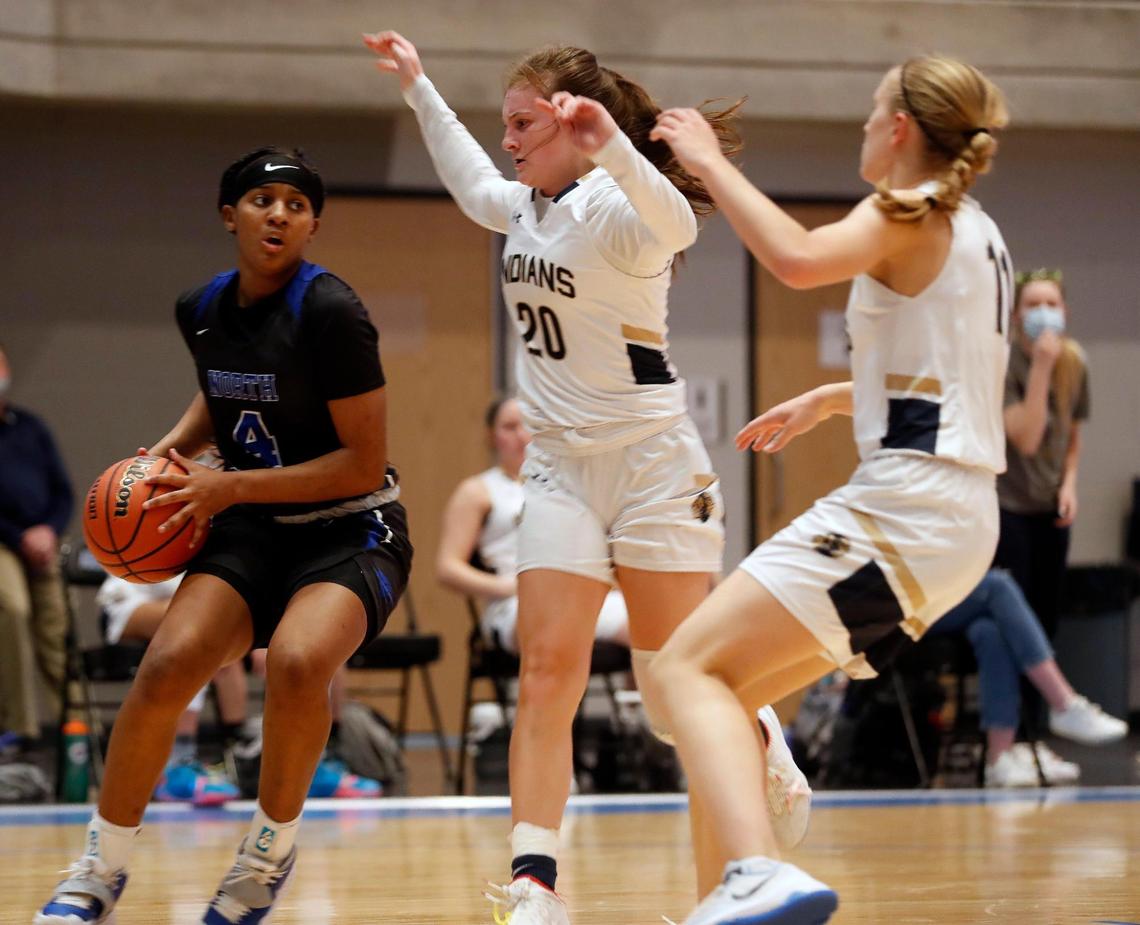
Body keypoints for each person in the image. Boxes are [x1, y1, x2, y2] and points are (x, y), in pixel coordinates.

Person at [365, 31, 807, 924]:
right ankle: (535, 882)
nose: (510, 140)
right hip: (561, 467)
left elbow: (679, 222)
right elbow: (468, 179)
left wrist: (611, 144)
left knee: (669, 687)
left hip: (651, 465)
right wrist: (419, 89)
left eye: (524, 123)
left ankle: (764, 739)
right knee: (546, 671)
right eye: (507, 123)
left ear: (574, 126)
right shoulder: (525, 204)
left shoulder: (615, 207)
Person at [646, 55, 1011, 924]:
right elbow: (955, 382)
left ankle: (757, 868)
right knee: (720, 689)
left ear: (901, 130)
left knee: (678, 671)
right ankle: (728, 897)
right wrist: (836, 397)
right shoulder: (978, 229)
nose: (861, 126)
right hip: (959, 522)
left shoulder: (907, 208)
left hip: (906, 509)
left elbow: (798, 258)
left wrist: (708, 159)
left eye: (870, 110)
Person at [35, 146, 413, 925]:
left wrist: (227, 485)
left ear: (312, 224)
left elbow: (360, 461)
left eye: (297, 204)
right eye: (262, 199)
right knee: (168, 663)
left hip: (352, 526)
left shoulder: (332, 313)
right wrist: (168, 449)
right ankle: (100, 868)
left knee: (301, 661)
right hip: (251, 523)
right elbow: (223, 389)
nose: (279, 214)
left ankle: (264, 856)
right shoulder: (200, 307)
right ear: (227, 213)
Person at [437, 396, 630, 655]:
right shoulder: (477, 491)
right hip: (514, 603)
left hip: (577, 593)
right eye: (509, 427)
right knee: (553, 620)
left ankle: (637, 697)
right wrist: (510, 586)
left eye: (529, 425)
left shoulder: (569, 487)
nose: (521, 435)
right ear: (492, 436)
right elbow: (448, 568)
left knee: (653, 620)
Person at [926, 569, 1127, 788]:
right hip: (899, 603)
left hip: (930, 591)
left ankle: (999, 759)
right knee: (997, 585)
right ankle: (1063, 703)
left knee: (990, 631)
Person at [994, 268, 1088, 640]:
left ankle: (1043, 700)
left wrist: (1069, 486)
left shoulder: (1076, 362)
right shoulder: (1003, 364)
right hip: (1009, 508)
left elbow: (1073, 435)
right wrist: (1042, 367)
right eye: (1034, 304)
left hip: (1051, 508)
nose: (1044, 312)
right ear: (1017, 314)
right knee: (1016, 623)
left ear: (1064, 310)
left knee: (1047, 619)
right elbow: (1027, 439)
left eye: (1052, 304)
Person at [97, 573, 245, 805]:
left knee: (227, 646)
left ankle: (240, 755)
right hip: (129, 600)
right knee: (199, 627)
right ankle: (176, 764)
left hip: (184, 603)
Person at [0, 342, 72, 756]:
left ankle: (74, 724)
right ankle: (20, 727)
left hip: (41, 538)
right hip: (4, 542)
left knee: (54, 626)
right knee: (13, 609)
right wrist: (19, 536)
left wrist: (47, 530)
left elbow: (62, 490)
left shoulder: (30, 426)